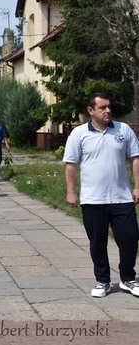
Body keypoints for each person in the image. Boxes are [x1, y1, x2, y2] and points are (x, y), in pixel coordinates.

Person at [64, 92, 139, 298]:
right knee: (97, 242)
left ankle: (127, 278)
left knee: (130, 238)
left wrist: (137, 187)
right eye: (102, 107)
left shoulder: (123, 130)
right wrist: (71, 192)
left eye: (109, 107)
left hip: (121, 197)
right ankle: (102, 281)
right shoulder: (79, 134)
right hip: (92, 199)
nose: (108, 110)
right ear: (91, 111)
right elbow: (71, 165)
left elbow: (135, 158)